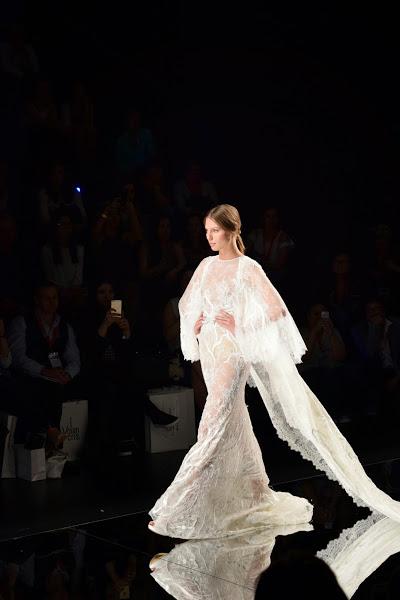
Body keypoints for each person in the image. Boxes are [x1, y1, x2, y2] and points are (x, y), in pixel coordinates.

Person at [148, 204, 400, 540]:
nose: (208, 237)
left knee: (212, 421)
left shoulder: (248, 267)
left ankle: (178, 505)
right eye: (206, 231)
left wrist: (241, 324)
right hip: (210, 349)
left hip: (234, 352)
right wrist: (196, 323)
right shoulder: (206, 266)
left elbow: (276, 310)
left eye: (214, 231)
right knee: (234, 420)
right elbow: (187, 302)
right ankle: (255, 492)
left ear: (231, 231)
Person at [7, 282, 80, 447]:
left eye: (54, 297)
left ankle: (54, 435)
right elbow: (18, 358)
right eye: (47, 298)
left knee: (61, 387)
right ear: (36, 300)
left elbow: (74, 358)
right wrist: (44, 371)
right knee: (37, 389)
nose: (52, 302)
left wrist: (67, 373)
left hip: (58, 377)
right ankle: (50, 434)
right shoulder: (22, 322)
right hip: (31, 377)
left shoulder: (64, 325)